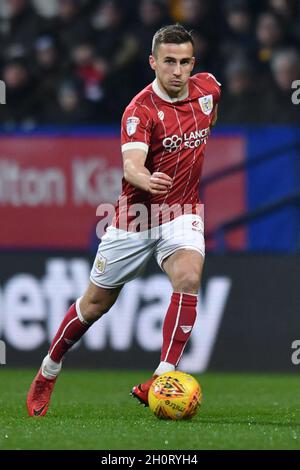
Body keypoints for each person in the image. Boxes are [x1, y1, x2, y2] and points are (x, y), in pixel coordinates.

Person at [26, 23, 221, 417]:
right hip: (135, 217)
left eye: (185, 62)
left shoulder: (210, 90)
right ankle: (49, 369)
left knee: (189, 277)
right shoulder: (139, 111)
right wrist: (145, 176)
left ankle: (162, 376)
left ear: (193, 63)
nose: (178, 71)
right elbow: (131, 164)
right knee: (94, 305)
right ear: (153, 62)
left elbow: (210, 121)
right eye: (169, 62)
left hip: (181, 211)